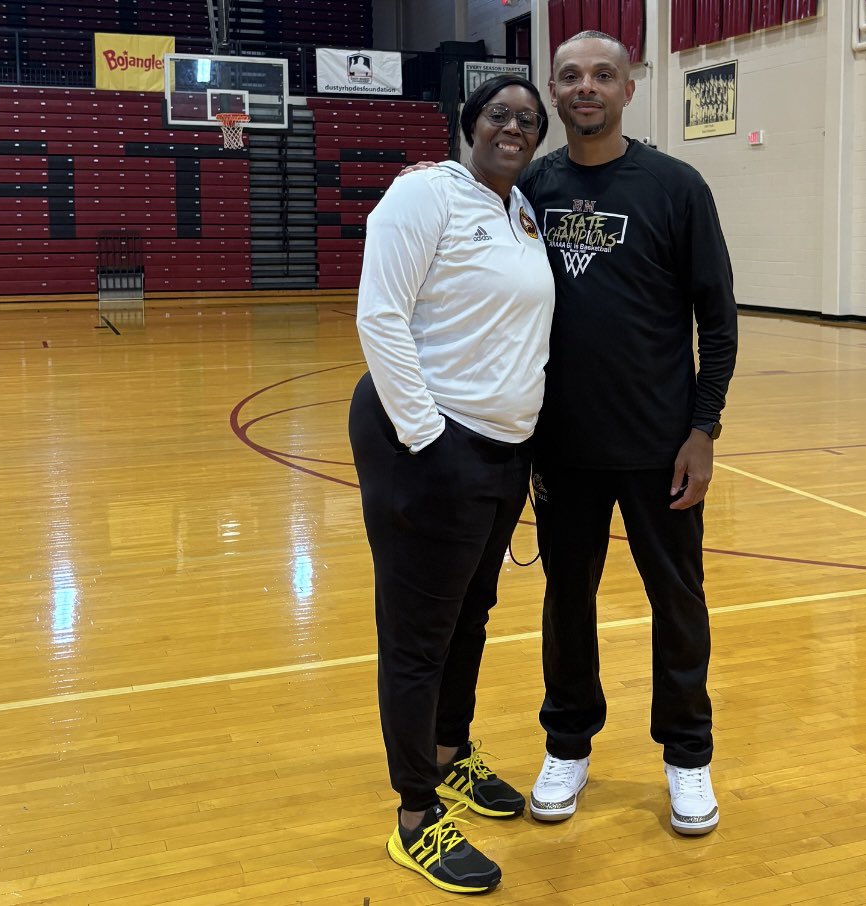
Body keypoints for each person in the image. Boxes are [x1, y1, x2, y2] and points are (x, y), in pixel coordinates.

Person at [519, 31, 737, 836]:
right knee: (565, 602)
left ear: (630, 88)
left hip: (658, 447)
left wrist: (704, 428)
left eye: (602, 75)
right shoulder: (531, 186)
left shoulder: (676, 186)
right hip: (560, 448)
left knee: (677, 603)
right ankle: (567, 744)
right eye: (571, 76)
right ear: (554, 88)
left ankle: (688, 759)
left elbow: (717, 320)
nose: (586, 88)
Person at [348, 74, 553, 895]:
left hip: (504, 452)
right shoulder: (425, 196)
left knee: (470, 615)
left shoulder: (523, 211)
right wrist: (428, 439)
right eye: (499, 114)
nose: (513, 127)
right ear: (467, 124)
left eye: (527, 121)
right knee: (417, 634)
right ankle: (414, 815)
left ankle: (447, 752)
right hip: (428, 445)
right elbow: (380, 316)